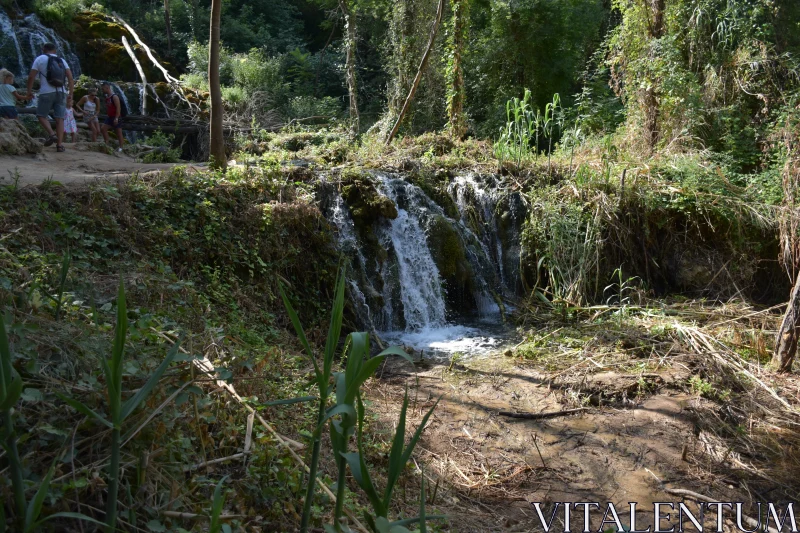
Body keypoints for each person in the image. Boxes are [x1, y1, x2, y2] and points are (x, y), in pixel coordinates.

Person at [26, 42, 73, 152]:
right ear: (55, 50)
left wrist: (29, 91)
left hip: (46, 92)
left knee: (41, 115)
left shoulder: (40, 59)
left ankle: (52, 134)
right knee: (60, 119)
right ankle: (60, 146)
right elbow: (70, 78)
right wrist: (71, 94)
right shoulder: (61, 60)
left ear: (43, 49)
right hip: (61, 92)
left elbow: (31, 76)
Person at [100, 82, 124, 152]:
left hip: (116, 116)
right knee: (103, 128)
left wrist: (116, 118)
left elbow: (118, 108)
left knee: (118, 132)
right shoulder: (107, 97)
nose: (102, 90)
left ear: (107, 88)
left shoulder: (114, 97)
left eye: (103, 89)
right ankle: (107, 144)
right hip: (110, 117)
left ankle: (121, 148)